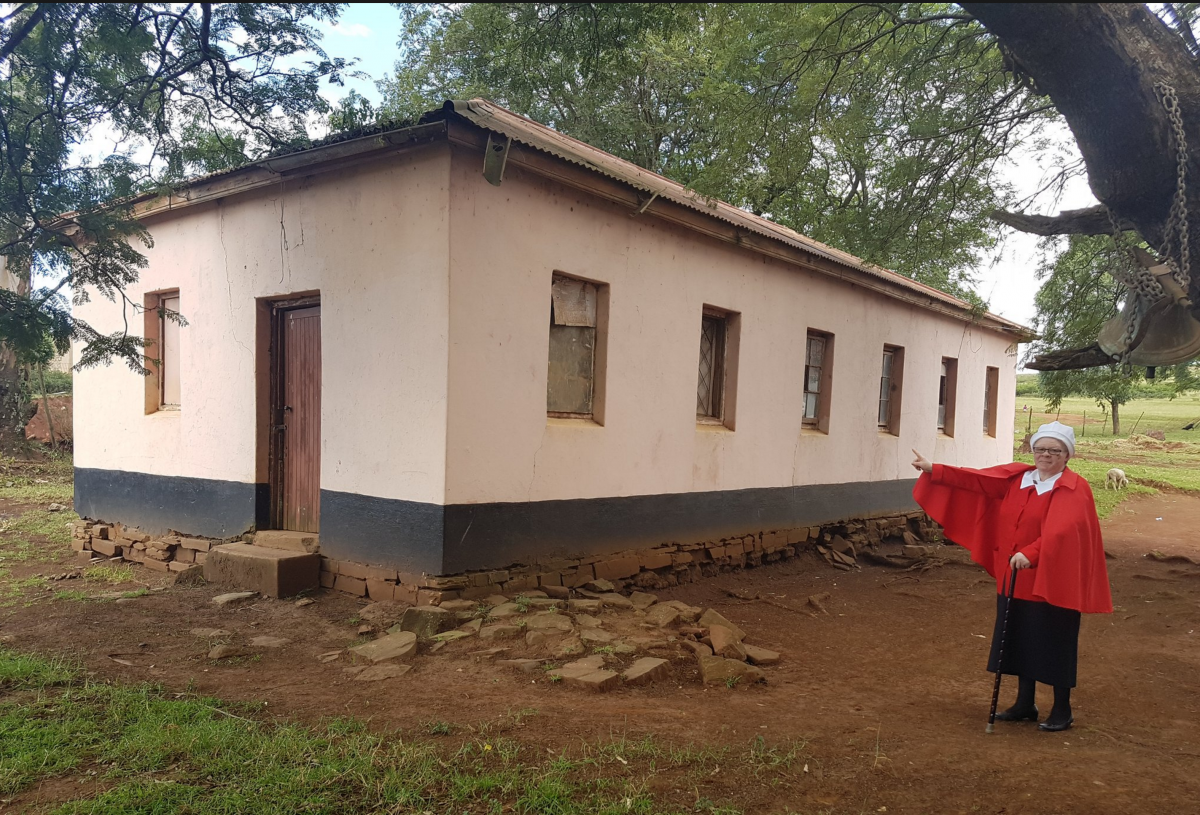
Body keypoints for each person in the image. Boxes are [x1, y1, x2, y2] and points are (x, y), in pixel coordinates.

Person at [910, 421, 1112, 732]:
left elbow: (1063, 531)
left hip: (1052, 580)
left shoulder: (1073, 488)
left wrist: (1030, 553)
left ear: (1067, 455)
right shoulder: (1019, 479)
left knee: (1054, 641)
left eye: (1054, 450)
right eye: (1040, 449)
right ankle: (1024, 704)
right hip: (1014, 577)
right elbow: (976, 481)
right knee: (1017, 638)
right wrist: (933, 469)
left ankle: (1062, 709)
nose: (1045, 455)